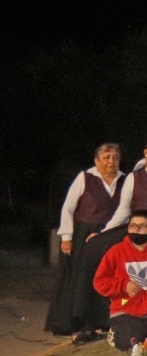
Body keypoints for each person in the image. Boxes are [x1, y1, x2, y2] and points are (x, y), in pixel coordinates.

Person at [46, 143, 125, 339]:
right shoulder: (85, 178)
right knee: (82, 280)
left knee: (108, 277)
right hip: (84, 234)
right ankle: (78, 324)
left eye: (115, 157)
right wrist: (66, 237)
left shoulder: (125, 180)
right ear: (97, 160)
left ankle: (104, 321)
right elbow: (68, 208)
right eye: (106, 157)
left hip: (111, 234)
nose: (111, 161)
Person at [92, 209, 147, 351]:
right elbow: (99, 281)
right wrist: (123, 285)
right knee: (130, 342)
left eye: (142, 227)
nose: (136, 230)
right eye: (132, 226)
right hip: (124, 307)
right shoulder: (116, 251)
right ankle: (116, 333)